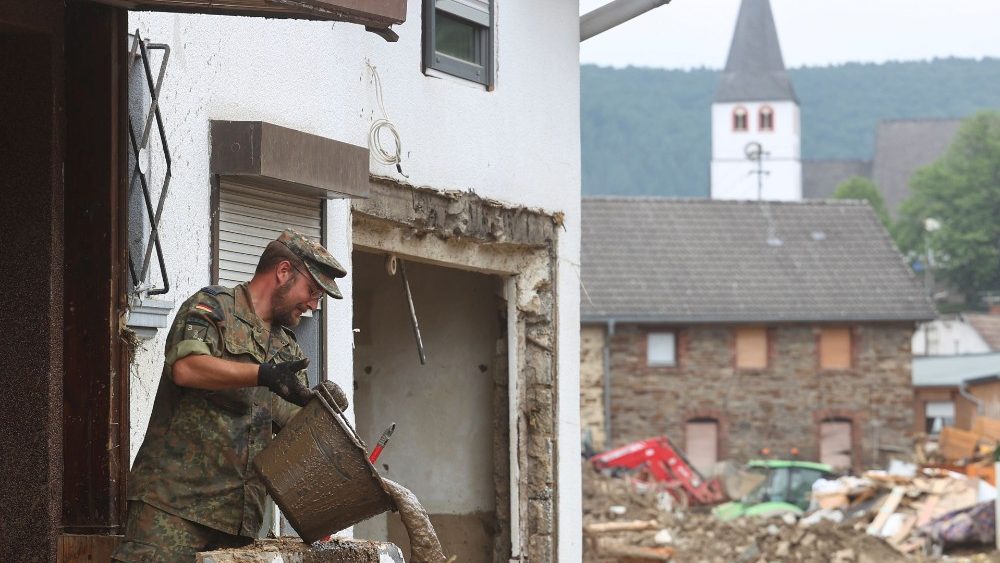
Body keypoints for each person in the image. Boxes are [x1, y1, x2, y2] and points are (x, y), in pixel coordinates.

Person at [112, 229, 348, 562]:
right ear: (283, 273)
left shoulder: (287, 349)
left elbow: (292, 438)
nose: (312, 304)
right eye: (312, 291)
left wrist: (320, 414)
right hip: (173, 510)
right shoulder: (212, 308)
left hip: (239, 526)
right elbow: (187, 367)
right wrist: (261, 374)